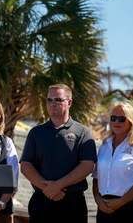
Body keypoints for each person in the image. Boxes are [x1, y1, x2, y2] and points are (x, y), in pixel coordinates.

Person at [20, 84, 97, 223]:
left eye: (58, 100)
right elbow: (26, 165)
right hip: (41, 201)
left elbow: (87, 165)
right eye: (49, 100)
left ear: (69, 102)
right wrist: (46, 188)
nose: (53, 104)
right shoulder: (36, 133)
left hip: (72, 204)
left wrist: (58, 186)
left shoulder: (83, 132)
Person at [92, 102, 133, 223]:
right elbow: (96, 179)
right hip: (105, 207)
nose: (116, 122)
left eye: (121, 119)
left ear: (132, 121)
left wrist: (120, 202)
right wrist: (98, 201)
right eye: (113, 118)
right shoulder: (104, 145)